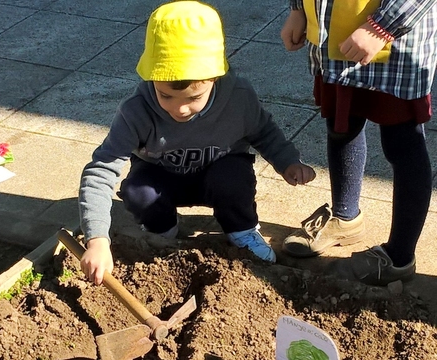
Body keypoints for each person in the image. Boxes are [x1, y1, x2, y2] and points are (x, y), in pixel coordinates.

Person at [78, 1, 316, 285]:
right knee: (138, 191)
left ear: (214, 78)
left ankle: (241, 230)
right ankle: (162, 232)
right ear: (151, 77)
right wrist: (97, 239)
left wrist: (287, 161)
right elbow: (101, 171)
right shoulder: (136, 110)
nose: (179, 109)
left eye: (193, 98)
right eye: (166, 96)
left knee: (234, 179)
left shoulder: (238, 97)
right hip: (162, 179)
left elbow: (263, 131)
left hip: (219, 175)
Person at [280, 0, 437, 286]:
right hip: (333, 41)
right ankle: (345, 218)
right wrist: (298, 9)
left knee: (403, 145)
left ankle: (399, 257)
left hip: (395, 48)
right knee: (341, 126)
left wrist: (381, 28)